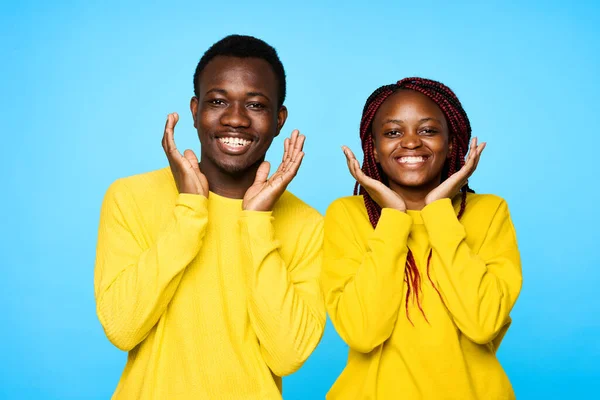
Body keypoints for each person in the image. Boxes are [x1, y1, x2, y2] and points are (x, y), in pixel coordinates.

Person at [94, 34, 325, 399]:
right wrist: (189, 211)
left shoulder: (308, 224)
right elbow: (123, 328)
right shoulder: (129, 197)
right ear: (194, 110)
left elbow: (287, 356)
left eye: (256, 105)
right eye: (218, 101)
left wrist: (257, 223)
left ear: (279, 119)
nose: (235, 119)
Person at [321, 77, 522, 399]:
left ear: (453, 143)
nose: (411, 142)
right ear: (373, 147)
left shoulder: (489, 212)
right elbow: (363, 333)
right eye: (393, 132)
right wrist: (393, 218)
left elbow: (482, 323)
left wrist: (439, 212)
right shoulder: (347, 215)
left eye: (428, 130)